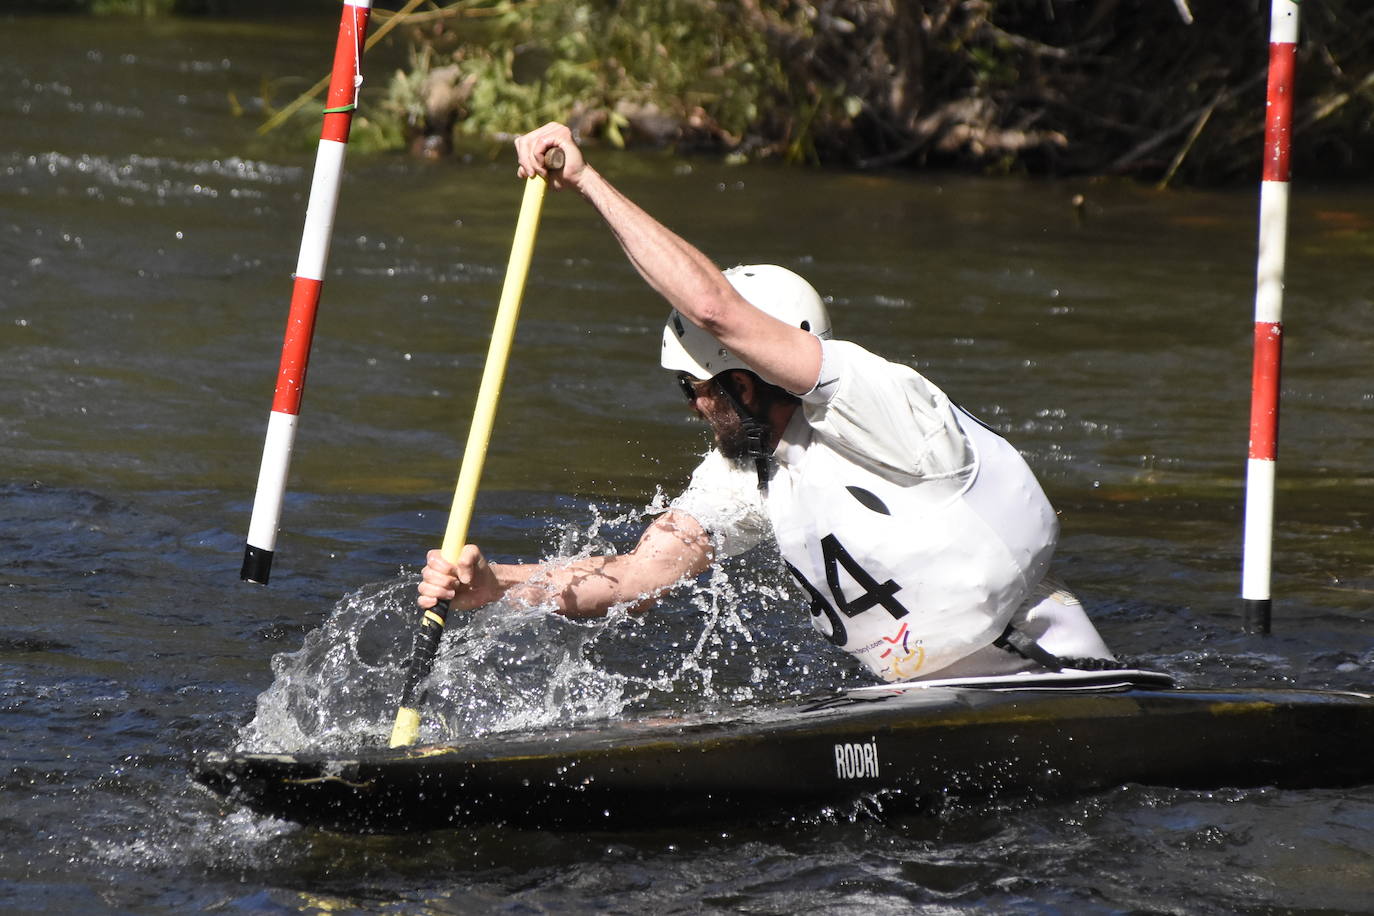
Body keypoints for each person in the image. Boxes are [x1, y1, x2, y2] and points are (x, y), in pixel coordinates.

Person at [417, 121, 1115, 682]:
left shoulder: (874, 402)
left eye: (694, 389)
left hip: (1053, 673)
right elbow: (636, 576)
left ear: (744, 381)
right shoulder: (747, 471)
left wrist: (587, 179)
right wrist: (496, 586)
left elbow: (713, 309)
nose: (691, 407)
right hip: (923, 703)